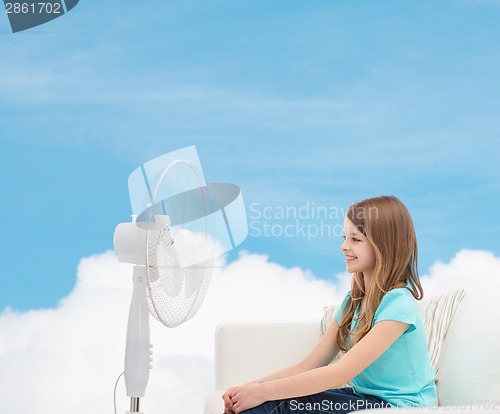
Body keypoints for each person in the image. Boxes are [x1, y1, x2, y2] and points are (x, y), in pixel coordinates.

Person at [222, 195, 437, 414]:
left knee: (271, 404)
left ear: (384, 244)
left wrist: (262, 393)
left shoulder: (398, 303)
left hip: (397, 406)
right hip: (362, 397)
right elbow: (306, 366)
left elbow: (341, 373)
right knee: (259, 403)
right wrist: (249, 389)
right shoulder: (354, 301)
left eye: (356, 239)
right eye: (345, 237)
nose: (344, 246)